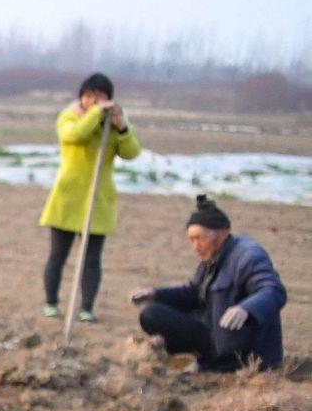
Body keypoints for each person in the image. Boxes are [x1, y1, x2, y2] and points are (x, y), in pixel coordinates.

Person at [131, 195, 288, 372]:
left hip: (241, 347)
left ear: (222, 233)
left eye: (199, 238)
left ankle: (217, 363)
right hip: (213, 331)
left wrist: (246, 308)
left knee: (154, 313)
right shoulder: (211, 257)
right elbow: (192, 294)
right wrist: (155, 294)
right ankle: (196, 356)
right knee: (151, 313)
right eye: (191, 240)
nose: (195, 246)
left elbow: (273, 291)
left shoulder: (248, 255)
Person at [38, 72, 140, 322]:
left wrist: (122, 127)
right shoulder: (68, 117)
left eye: (99, 96)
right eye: (89, 95)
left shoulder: (114, 124)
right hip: (68, 197)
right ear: (81, 97)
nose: (93, 101)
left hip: (98, 199)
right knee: (58, 255)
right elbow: (76, 135)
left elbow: (131, 152)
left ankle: (86, 308)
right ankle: (51, 303)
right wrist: (96, 113)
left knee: (92, 259)